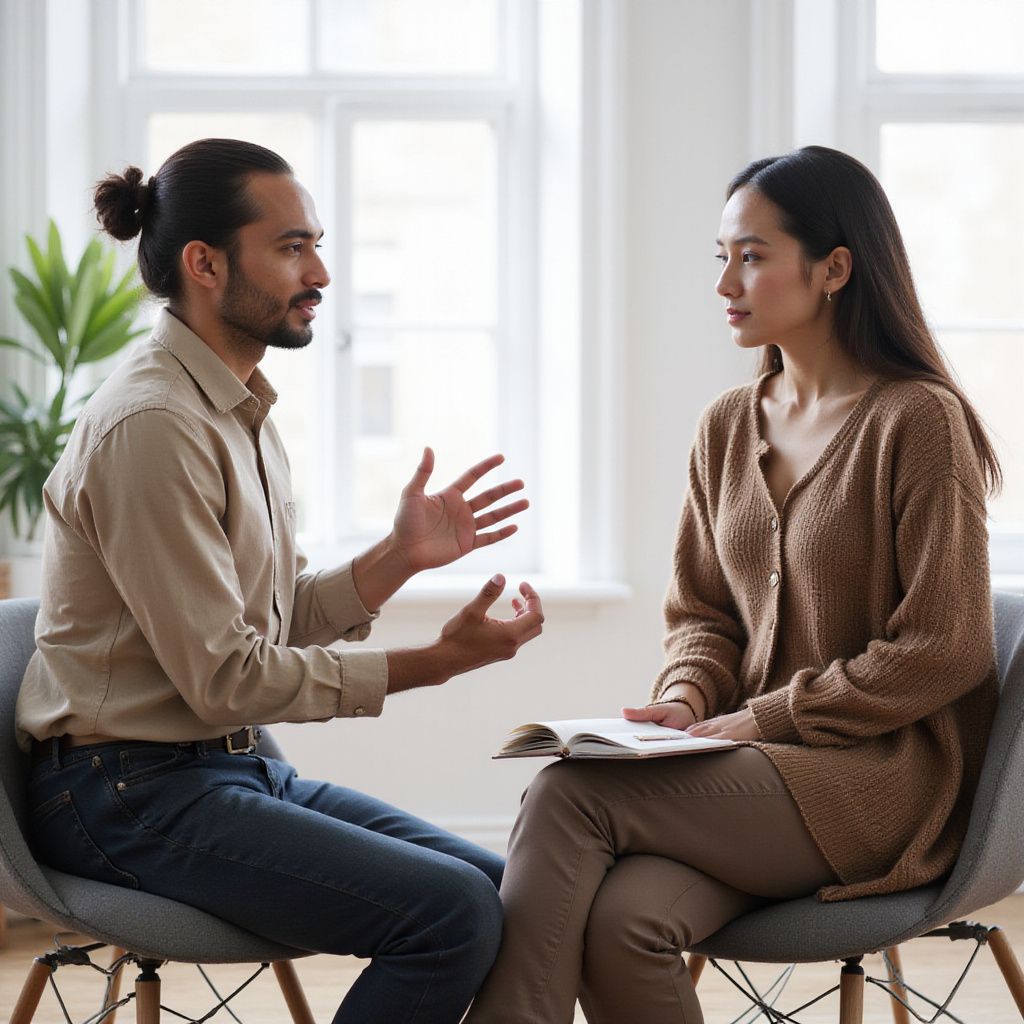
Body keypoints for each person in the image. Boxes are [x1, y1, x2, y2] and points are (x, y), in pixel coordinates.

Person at [463, 145, 1000, 1024]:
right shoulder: (725, 426)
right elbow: (704, 614)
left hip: (872, 786)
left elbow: (947, 650)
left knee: (569, 791)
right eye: (723, 258)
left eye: (752, 257)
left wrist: (764, 716)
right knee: (624, 920)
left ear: (834, 269)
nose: (726, 285)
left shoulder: (918, 422)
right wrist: (686, 697)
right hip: (743, 772)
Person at [16, 138, 545, 1024]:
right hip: (124, 793)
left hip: (230, 771)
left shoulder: (238, 408)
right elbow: (226, 677)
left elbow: (272, 618)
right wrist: (437, 663)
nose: (323, 273)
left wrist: (397, 557)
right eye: (293, 247)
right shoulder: (152, 427)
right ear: (206, 264)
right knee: (448, 914)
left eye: (318, 244)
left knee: (514, 890)